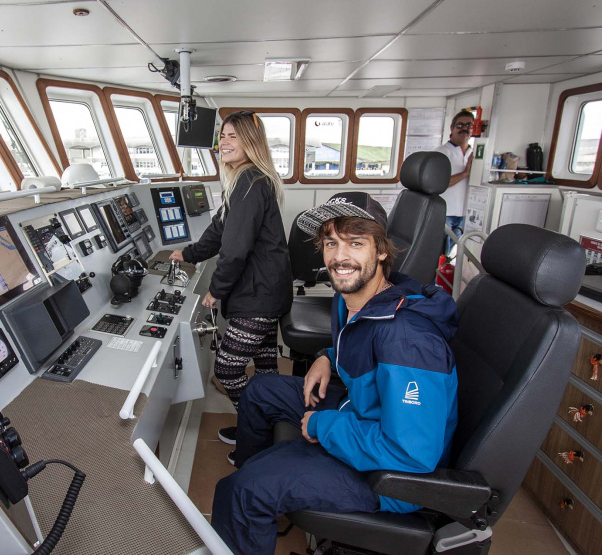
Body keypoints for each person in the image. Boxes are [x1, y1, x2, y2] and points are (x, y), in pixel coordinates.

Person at [210, 194, 459, 555]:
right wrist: (327, 356)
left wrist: (320, 426)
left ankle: (253, 498)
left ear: (382, 251)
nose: (339, 257)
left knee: (240, 491)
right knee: (261, 389)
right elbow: (358, 342)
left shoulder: (407, 340)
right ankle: (263, 501)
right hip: (362, 413)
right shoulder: (357, 297)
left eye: (356, 243)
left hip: (391, 478)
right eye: (331, 243)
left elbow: (410, 455)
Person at [169, 110, 292, 459]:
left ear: (251, 142)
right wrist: (188, 254)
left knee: (227, 367)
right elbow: (220, 231)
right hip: (269, 291)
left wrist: (215, 290)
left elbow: (236, 250)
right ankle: (271, 427)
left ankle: (258, 434)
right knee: (266, 367)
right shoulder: (242, 180)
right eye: (222, 136)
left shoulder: (250, 182)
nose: (224, 142)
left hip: (259, 297)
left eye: (233, 136)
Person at [436, 110, 475, 256]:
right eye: (460, 125)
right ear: (452, 129)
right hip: (447, 212)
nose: (464, 128)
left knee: (452, 255)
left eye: (468, 125)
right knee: (440, 255)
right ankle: (434, 279)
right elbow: (440, 183)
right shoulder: (441, 153)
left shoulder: (474, 153)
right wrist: (465, 173)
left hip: (466, 214)